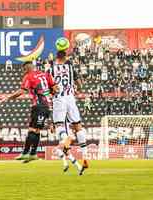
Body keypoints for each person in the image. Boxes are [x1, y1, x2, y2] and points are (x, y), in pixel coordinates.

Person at [0, 61, 58, 163]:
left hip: (38, 106)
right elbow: (55, 89)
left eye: (24, 70)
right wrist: (48, 95)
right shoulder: (45, 74)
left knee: (32, 130)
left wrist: (7, 98)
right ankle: (33, 154)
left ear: (27, 68)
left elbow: (22, 91)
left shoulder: (29, 76)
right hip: (47, 106)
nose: (23, 72)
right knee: (37, 130)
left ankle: (25, 153)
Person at [50, 37, 89, 174]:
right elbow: (80, 84)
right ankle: (85, 157)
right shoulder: (71, 65)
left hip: (59, 99)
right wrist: (76, 88)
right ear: (66, 50)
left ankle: (64, 143)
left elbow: (50, 87)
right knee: (78, 126)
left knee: (59, 126)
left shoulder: (51, 66)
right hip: (70, 98)